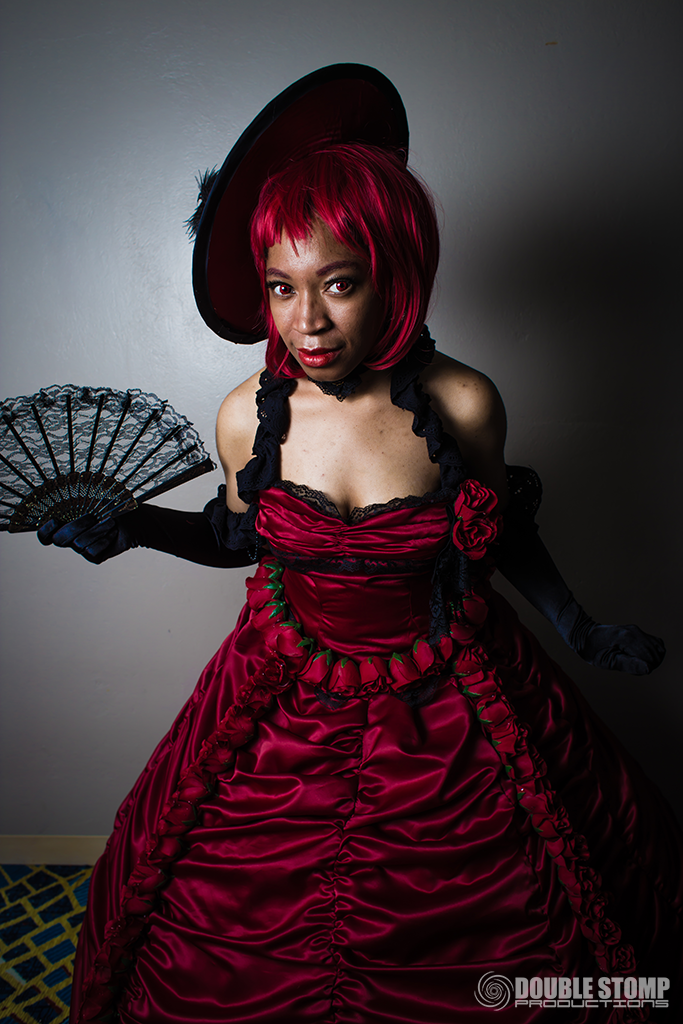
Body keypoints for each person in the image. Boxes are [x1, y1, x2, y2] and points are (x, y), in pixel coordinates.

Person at [37, 66, 681, 1023]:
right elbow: (236, 537)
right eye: (280, 288)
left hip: (453, 697)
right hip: (280, 688)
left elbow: (496, 532)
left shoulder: (464, 404)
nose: (306, 322)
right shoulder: (246, 416)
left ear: (394, 276)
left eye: (338, 284)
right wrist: (131, 527)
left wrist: (577, 627)